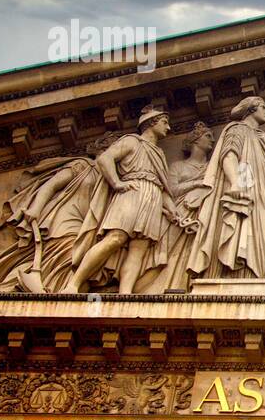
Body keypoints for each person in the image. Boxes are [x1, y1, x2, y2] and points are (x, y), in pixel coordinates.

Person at [66, 108, 192, 294]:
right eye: (164, 122)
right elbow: (105, 158)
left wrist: (175, 214)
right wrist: (117, 183)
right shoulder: (132, 141)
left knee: (138, 249)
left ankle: (125, 294)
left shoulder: (159, 153)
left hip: (153, 198)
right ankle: (73, 284)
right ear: (151, 122)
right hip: (131, 193)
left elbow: (162, 187)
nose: (169, 127)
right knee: (115, 238)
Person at [0, 133, 119, 293]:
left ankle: (45, 290)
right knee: (69, 251)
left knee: (74, 257)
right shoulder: (82, 165)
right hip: (64, 216)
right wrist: (36, 208)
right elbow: (51, 186)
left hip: (86, 222)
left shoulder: (110, 178)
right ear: (105, 148)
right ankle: (14, 286)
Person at [188, 96, 265, 279]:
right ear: (252, 109)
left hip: (261, 189)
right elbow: (229, 155)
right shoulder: (238, 129)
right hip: (245, 185)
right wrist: (235, 182)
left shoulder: (261, 137)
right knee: (241, 229)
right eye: (263, 107)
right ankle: (233, 275)